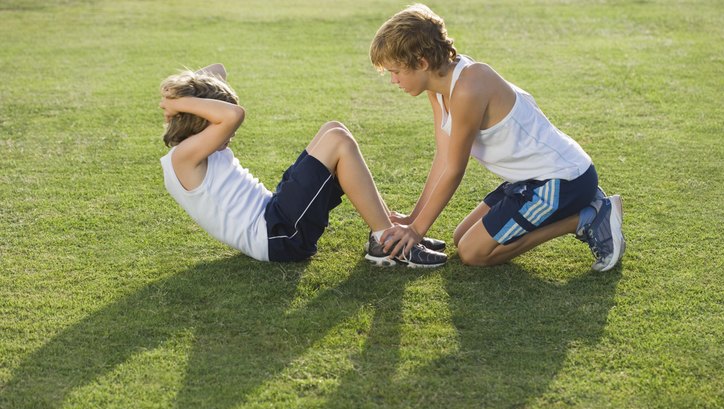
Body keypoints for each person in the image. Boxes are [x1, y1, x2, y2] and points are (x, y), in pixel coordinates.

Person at [369, 4, 625, 271]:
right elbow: (443, 158)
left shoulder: (468, 87)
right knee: (461, 237)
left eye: (395, 71)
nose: (393, 81)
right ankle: (585, 211)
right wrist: (413, 219)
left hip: (563, 179)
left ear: (422, 63)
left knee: (473, 253)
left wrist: (417, 231)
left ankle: (587, 217)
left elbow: (455, 169)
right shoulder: (437, 88)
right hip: (528, 181)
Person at [158, 64, 447, 267]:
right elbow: (234, 115)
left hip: (275, 216)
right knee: (337, 141)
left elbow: (217, 70)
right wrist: (180, 102)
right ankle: (388, 244)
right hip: (276, 236)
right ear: (198, 119)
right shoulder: (184, 156)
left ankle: (389, 234)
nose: (230, 136)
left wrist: (179, 96)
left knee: (334, 130)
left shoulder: (196, 146)